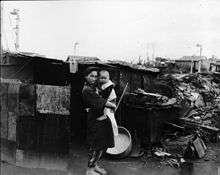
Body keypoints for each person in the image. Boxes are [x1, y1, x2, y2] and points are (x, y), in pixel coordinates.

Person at [82, 67, 115, 175]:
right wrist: (111, 104)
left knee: (102, 144)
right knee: (95, 145)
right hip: (95, 120)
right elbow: (99, 101)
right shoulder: (87, 90)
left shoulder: (95, 86)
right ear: (85, 76)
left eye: (96, 76)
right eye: (91, 76)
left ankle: (95, 165)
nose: (94, 78)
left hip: (102, 118)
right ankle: (89, 170)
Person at [98, 70, 118, 136]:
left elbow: (105, 96)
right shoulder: (104, 84)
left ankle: (104, 115)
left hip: (111, 99)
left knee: (108, 111)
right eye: (101, 78)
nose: (103, 80)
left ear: (108, 78)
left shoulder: (108, 86)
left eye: (105, 78)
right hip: (109, 99)